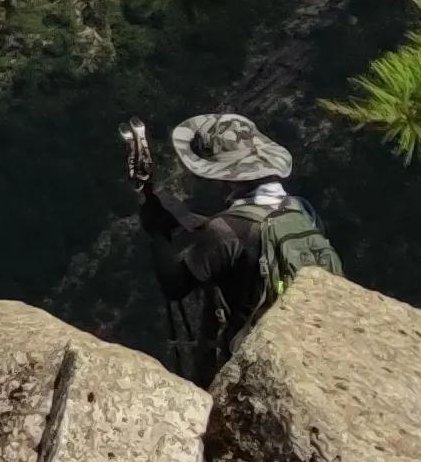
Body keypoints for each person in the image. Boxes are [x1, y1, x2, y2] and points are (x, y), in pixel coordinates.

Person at [124, 112, 341, 381]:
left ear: (228, 178)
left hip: (246, 363)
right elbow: (248, 238)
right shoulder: (301, 210)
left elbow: (174, 284)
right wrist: (189, 220)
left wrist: (158, 232)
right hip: (307, 345)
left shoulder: (225, 231)